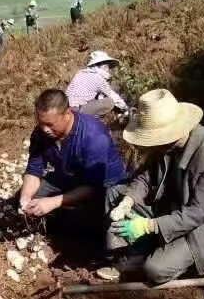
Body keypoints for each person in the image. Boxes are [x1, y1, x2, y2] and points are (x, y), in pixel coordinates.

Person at [98, 89, 204, 284]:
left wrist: (149, 226)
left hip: (203, 227)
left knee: (155, 269)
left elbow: (199, 213)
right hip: (169, 207)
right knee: (116, 193)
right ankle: (134, 254)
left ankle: (182, 260)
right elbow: (145, 178)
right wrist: (127, 201)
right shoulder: (165, 146)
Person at [19, 89, 127, 232]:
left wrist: (53, 202)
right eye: (41, 123)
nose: (44, 129)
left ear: (67, 114)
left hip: (104, 186)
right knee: (32, 199)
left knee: (77, 223)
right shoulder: (40, 134)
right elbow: (34, 170)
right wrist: (25, 197)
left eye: (50, 124)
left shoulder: (93, 135)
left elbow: (94, 186)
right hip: (70, 176)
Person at [65, 51, 129, 118]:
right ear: (101, 65)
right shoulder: (98, 78)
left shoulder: (80, 73)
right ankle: (91, 120)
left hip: (66, 108)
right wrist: (126, 108)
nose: (108, 69)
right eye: (106, 66)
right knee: (109, 102)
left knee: (99, 97)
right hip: (77, 110)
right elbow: (113, 96)